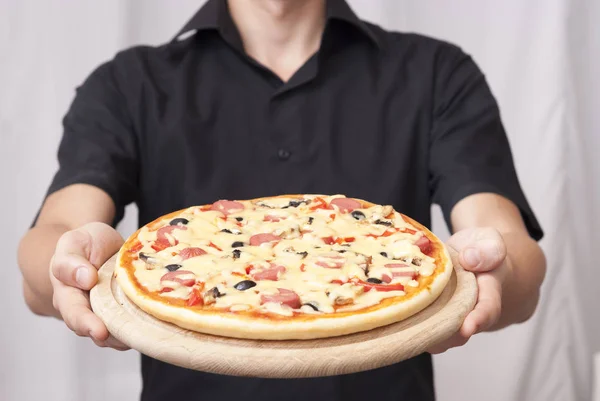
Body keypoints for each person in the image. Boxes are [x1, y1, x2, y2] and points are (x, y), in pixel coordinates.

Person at [17, 0, 547, 400]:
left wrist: (496, 266)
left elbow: (508, 252)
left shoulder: (438, 73)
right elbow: (55, 238)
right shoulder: (126, 84)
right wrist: (69, 263)